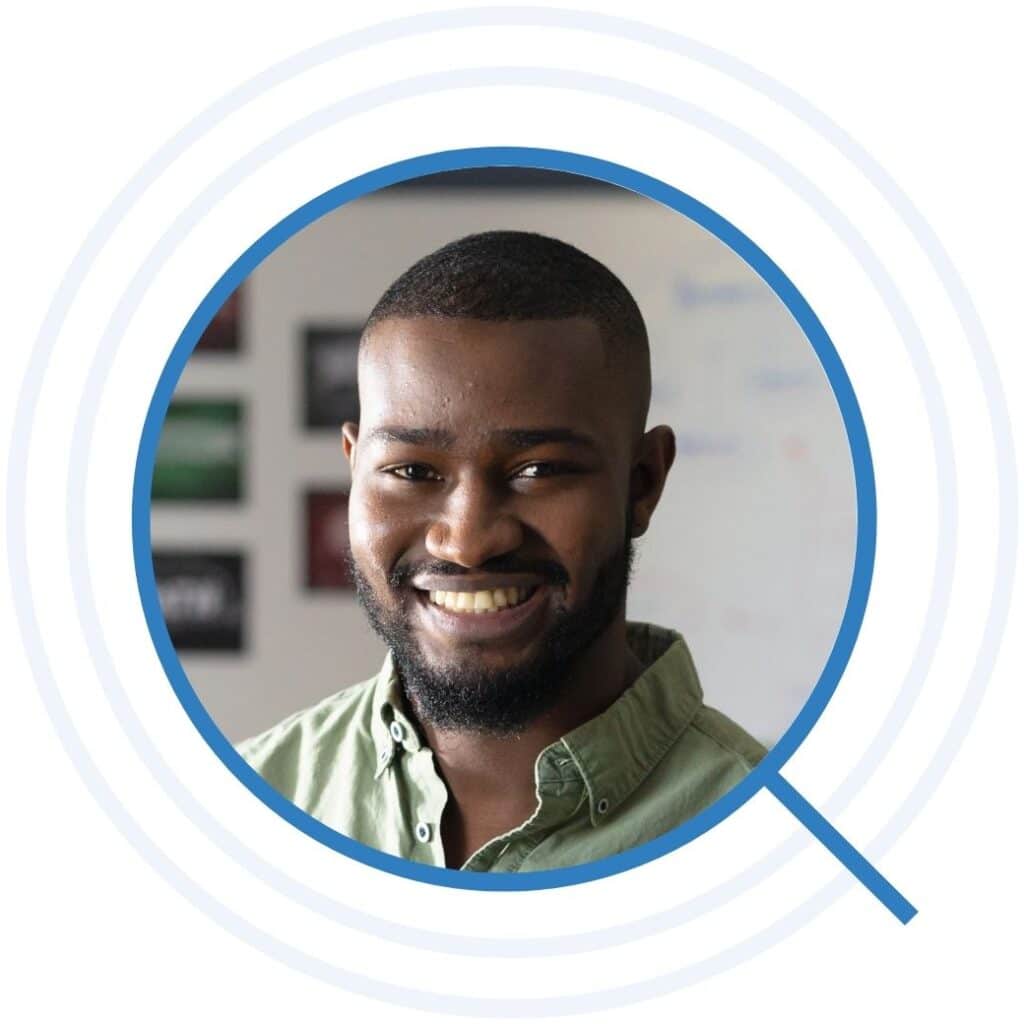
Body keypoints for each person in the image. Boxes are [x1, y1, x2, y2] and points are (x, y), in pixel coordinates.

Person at [238, 230, 765, 872]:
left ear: (643, 481)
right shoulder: (242, 809)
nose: (467, 541)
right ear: (355, 470)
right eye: (410, 471)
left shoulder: (776, 845)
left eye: (539, 470)